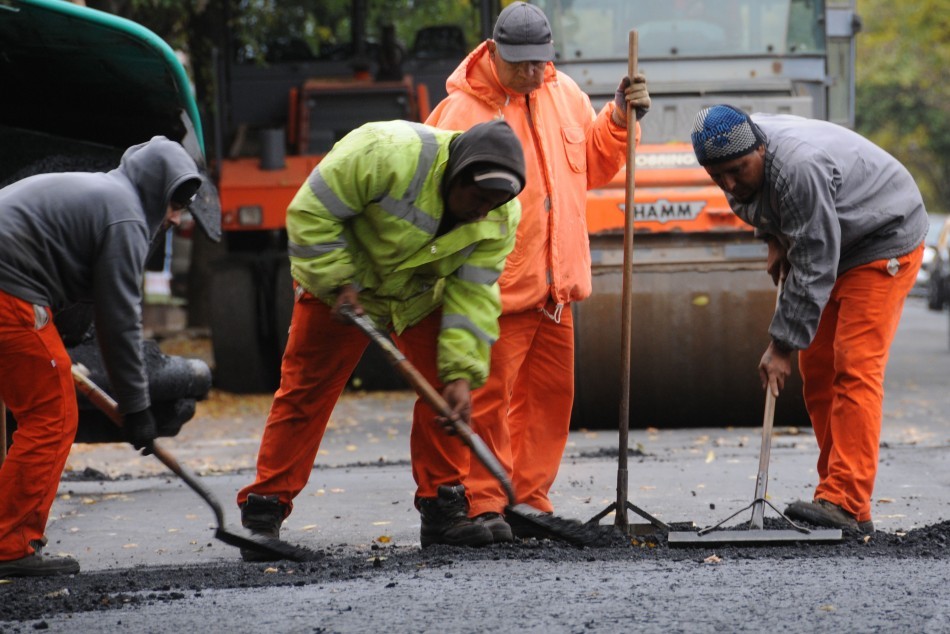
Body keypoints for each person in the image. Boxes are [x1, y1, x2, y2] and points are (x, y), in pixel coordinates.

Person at [236, 119, 525, 557]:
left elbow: (473, 295)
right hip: (341, 287)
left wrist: (460, 374)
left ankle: (444, 510)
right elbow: (309, 213)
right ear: (456, 175)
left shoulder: (502, 215)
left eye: (494, 203)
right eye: (478, 199)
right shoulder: (383, 152)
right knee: (306, 392)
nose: (483, 212)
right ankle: (264, 511)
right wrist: (338, 281)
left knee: (446, 398)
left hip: (418, 295)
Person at [424, 1, 651, 540]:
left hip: (557, 288)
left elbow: (593, 163)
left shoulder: (564, 92)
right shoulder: (460, 111)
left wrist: (620, 119)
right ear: (494, 51)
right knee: (487, 401)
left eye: (538, 61)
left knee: (550, 401)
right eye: (520, 62)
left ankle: (528, 501)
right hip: (493, 288)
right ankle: (483, 503)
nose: (531, 72)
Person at [690, 104, 928, 533]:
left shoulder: (798, 167)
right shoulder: (734, 154)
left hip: (882, 236)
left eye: (737, 171)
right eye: (717, 175)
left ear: (760, 149)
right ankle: (836, 494)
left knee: (854, 364)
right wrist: (773, 239)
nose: (729, 183)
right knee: (817, 369)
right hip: (834, 239)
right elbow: (770, 207)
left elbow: (815, 261)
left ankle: (846, 501)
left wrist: (780, 346)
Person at [0, 136, 215, 577]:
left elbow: (81, 292)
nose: (176, 217)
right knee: (52, 414)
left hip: (14, 283)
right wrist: (137, 409)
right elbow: (120, 323)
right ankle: (10, 544)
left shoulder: (103, 194)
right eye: (174, 204)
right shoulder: (126, 216)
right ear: (155, 189)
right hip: (9, 292)